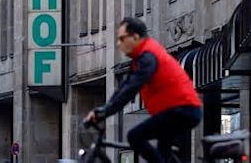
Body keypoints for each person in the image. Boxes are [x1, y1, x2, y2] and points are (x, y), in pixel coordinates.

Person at [85, 17, 202, 163]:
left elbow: (130, 89)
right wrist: (101, 110)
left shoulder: (148, 56)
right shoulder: (141, 58)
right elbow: (123, 88)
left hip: (180, 110)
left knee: (135, 136)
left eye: (122, 39)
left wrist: (104, 113)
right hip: (178, 110)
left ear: (135, 37)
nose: (118, 44)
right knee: (163, 153)